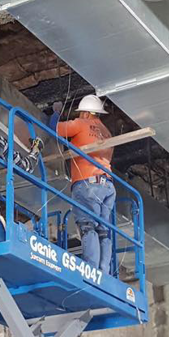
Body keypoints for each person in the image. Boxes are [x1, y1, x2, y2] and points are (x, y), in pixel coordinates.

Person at [53, 95, 115, 274]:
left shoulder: (81, 124)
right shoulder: (106, 132)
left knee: (88, 227)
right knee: (103, 231)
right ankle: (104, 272)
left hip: (88, 184)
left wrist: (55, 113)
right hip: (108, 186)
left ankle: (92, 271)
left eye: (81, 113)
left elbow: (55, 129)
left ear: (86, 113)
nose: (80, 116)